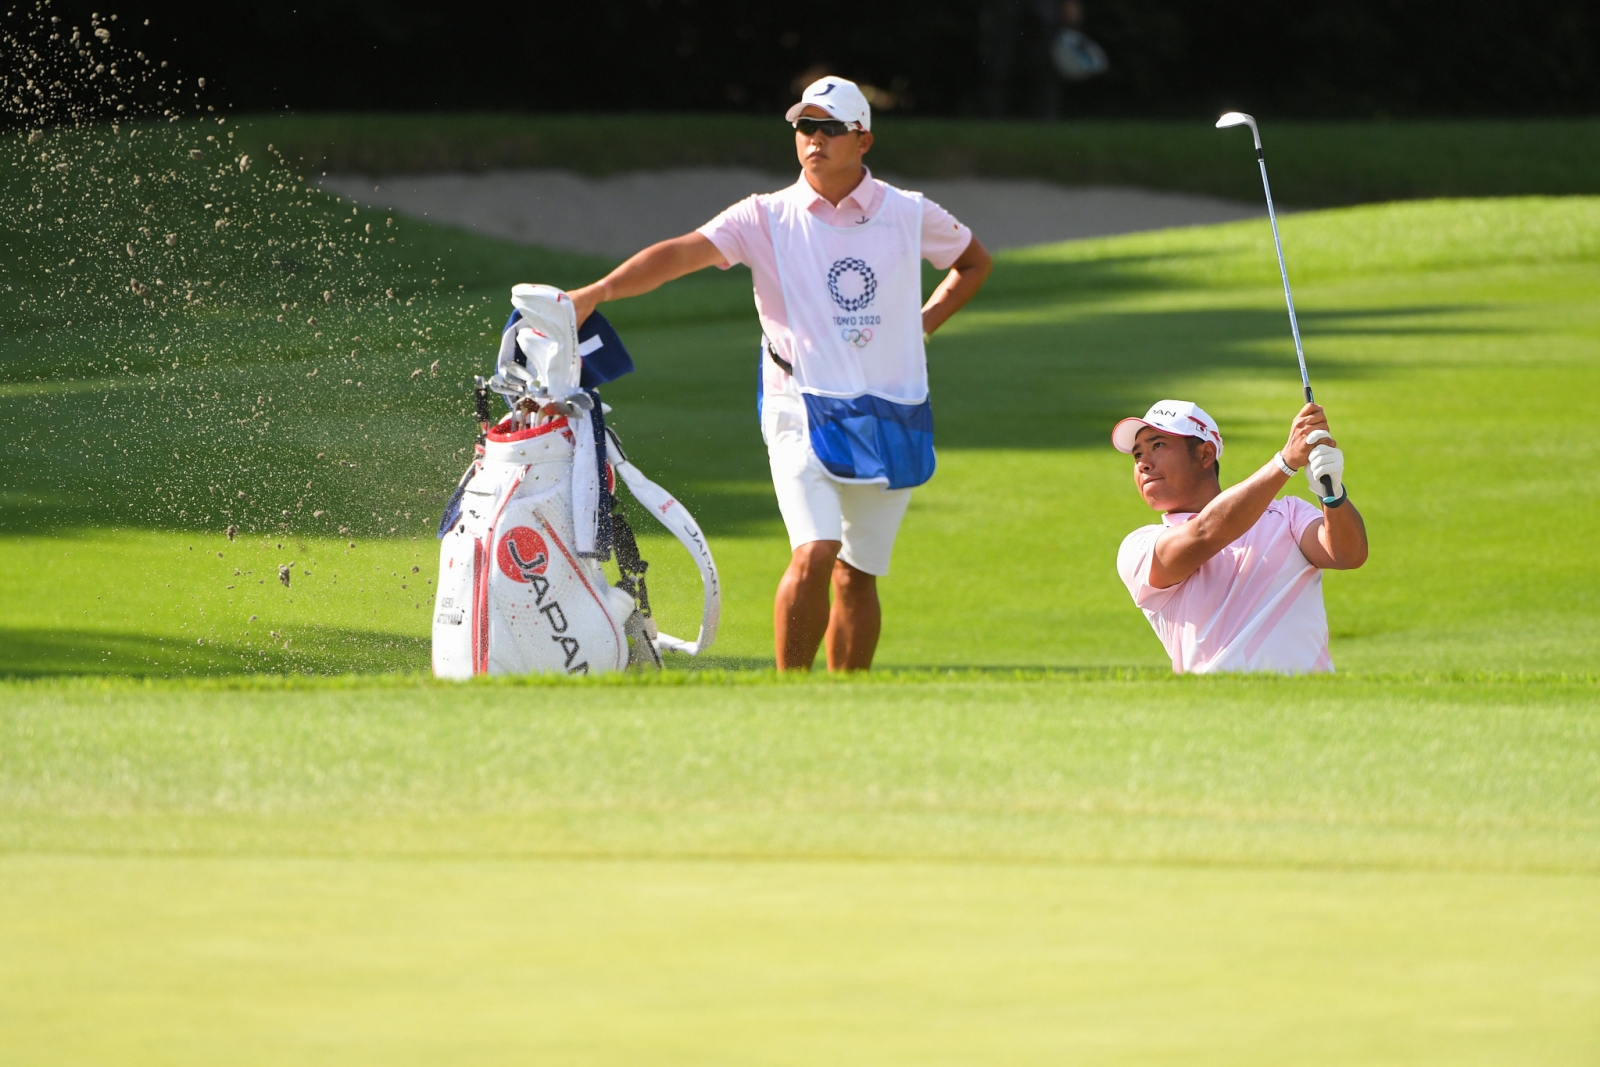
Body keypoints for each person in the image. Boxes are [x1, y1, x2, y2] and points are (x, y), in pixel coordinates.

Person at [564, 76, 993, 671]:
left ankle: (848, 707)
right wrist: (600, 290)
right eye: (804, 127)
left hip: (892, 407)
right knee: (816, 550)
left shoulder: (909, 212)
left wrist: (923, 323)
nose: (814, 139)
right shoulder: (766, 216)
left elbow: (973, 262)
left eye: (830, 128)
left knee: (858, 574)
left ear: (863, 139)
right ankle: (787, 697)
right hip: (797, 403)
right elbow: (680, 254)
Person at [1112, 399, 1368, 674]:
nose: (1143, 464)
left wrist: (1333, 494)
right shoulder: (1139, 546)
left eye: (1157, 446)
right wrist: (1285, 462)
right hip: (1219, 712)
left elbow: (1347, 555)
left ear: (1205, 454)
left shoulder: (1289, 513)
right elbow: (1206, 533)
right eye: (1137, 455)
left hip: (1312, 707)